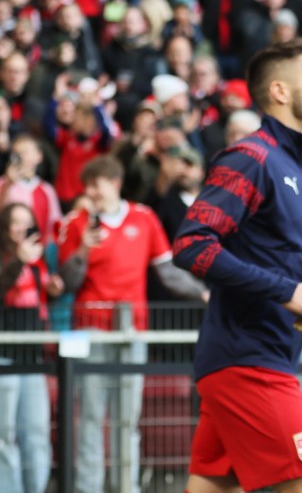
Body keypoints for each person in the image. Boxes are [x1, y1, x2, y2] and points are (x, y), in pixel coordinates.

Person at [173, 40, 302, 493]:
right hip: (248, 363)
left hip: (260, 359)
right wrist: (288, 291)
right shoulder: (252, 157)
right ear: (281, 91)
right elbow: (191, 245)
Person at [58, 155, 208, 493]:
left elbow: (167, 271)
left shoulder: (144, 218)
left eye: (94, 186)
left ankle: (127, 486)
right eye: (87, 187)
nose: (90, 193)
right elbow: (66, 281)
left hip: (133, 331)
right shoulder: (75, 222)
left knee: (129, 418)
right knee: (92, 418)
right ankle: (89, 488)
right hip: (91, 329)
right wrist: (83, 249)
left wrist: (202, 294)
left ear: (113, 182)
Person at [0, 202, 63, 493]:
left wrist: (56, 287)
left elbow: (46, 296)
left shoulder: (38, 259)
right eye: (15, 222)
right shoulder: (7, 257)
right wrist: (19, 262)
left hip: (33, 355)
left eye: (27, 222)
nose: (21, 229)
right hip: (6, 353)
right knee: (4, 434)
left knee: (36, 431)